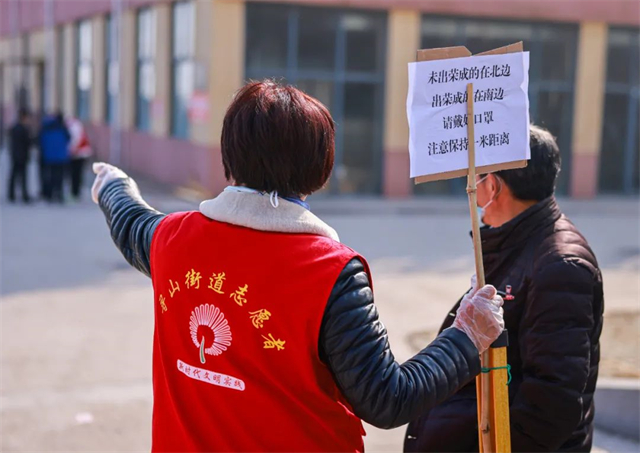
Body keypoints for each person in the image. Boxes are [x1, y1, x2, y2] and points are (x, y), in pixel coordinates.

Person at [91, 80, 505, 452]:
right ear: (319, 167)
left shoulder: (171, 239)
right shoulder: (330, 273)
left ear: (228, 154)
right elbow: (387, 398)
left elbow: (130, 220)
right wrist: (466, 337)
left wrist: (112, 185)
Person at [404, 125, 604, 453]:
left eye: (476, 177)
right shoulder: (519, 241)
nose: (472, 188)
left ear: (494, 185)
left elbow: (552, 403)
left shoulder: (560, 266)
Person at [39, 111, 70, 203]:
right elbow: (68, 138)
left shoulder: (46, 127)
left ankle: (49, 195)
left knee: (50, 176)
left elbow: (41, 140)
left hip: (49, 157)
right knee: (59, 177)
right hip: (60, 157)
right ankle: (58, 194)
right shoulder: (63, 128)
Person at [7, 109, 32, 203]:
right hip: (21, 155)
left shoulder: (15, 128)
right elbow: (27, 143)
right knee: (22, 176)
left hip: (16, 154)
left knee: (14, 175)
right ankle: (24, 195)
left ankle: (12, 194)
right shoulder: (23, 129)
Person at [66, 115, 92, 200]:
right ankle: (75, 192)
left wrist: (71, 150)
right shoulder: (76, 125)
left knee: (76, 174)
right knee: (76, 174)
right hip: (80, 154)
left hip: (78, 154)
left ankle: (75, 193)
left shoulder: (74, 126)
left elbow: (76, 141)